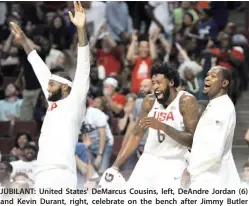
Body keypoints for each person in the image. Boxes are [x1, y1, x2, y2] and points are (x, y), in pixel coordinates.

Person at [10, 1, 90, 190]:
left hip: (62, 173)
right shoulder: (53, 101)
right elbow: (38, 67)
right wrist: (24, 42)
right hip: (42, 172)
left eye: (52, 84)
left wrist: (81, 30)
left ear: (64, 87)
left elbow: (84, 64)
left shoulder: (75, 99)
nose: (48, 86)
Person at [99, 62, 199, 189]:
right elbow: (136, 134)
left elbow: (192, 140)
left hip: (174, 161)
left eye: (159, 83)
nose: (155, 87)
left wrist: (163, 126)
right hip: (148, 158)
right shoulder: (149, 101)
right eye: (153, 83)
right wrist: (115, 166)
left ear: (171, 82)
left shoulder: (186, 101)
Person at [188, 66, 240, 189]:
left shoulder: (223, 108)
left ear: (224, 83)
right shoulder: (214, 104)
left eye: (213, 76)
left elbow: (214, 152)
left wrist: (190, 170)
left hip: (212, 179)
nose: (207, 78)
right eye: (207, 75)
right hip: (206, 175)